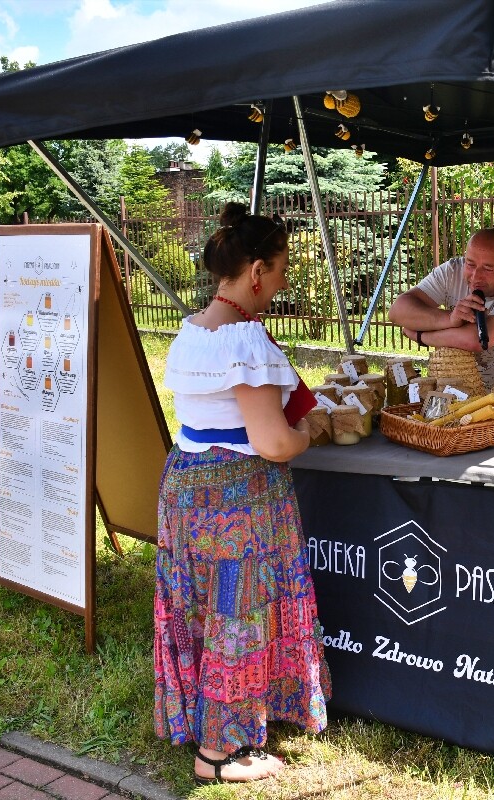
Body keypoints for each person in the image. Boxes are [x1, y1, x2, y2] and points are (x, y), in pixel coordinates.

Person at [155, 202, 330, 785]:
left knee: (202, 612)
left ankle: (205, 727)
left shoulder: (191, 333)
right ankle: (220, 754)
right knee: (238, 615)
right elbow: (274, 442)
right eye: (280, 271)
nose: (282, 284)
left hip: (187, 487)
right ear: (256, 271)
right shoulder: (244, 343)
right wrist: (308, 432)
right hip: (238, 496)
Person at [390, 227, 494, 386]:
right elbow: (397, 311)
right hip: (464, 393)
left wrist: (420, 336)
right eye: (470, 264)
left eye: (488, 268)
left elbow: (478, 340)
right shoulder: (452, 271)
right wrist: (450, 319)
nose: (476, 276)